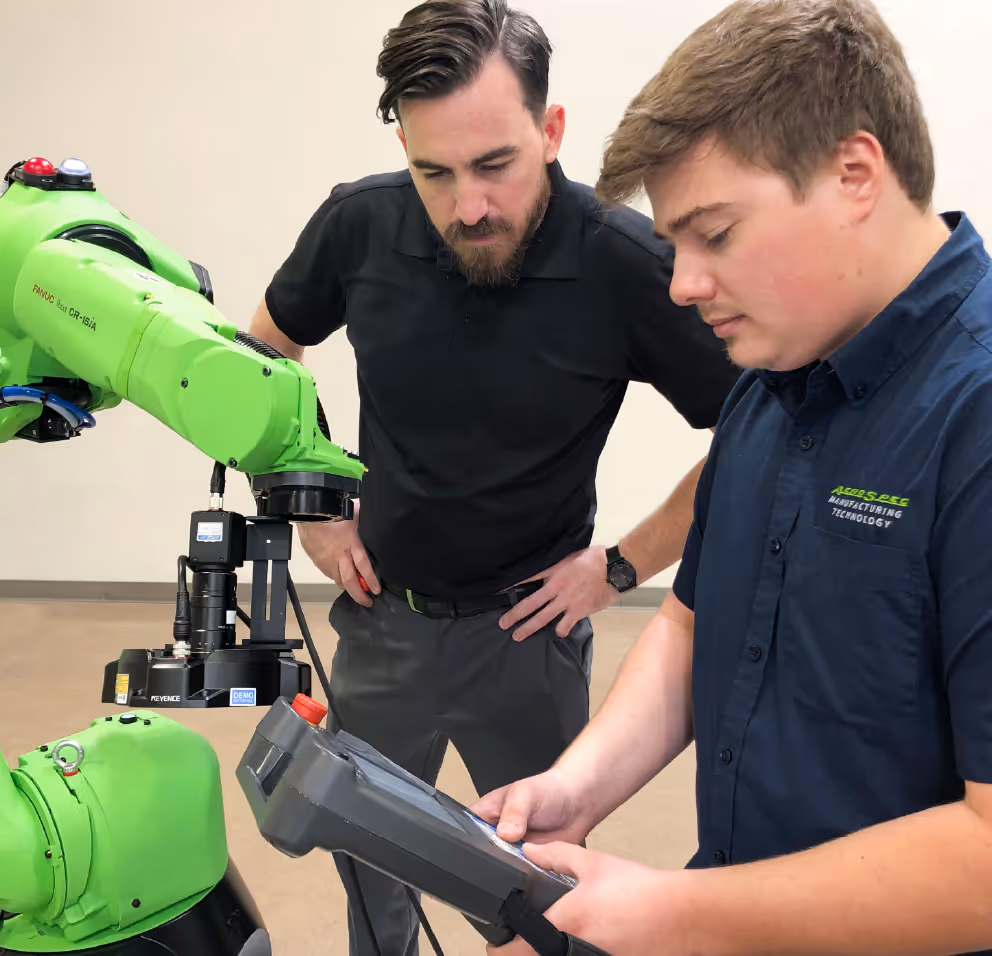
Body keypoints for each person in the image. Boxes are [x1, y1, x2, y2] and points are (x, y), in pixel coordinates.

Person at [473, 1, 992, 953]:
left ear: (854, 175)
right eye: (676, 246)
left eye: (716, 234)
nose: (682, 285)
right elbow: (695, 621)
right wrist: (574, 785)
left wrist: (667, 910)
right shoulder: (773, 381)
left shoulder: (976, 420)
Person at [248, 1, 738, 952]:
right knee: (371, 879)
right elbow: (266, 350)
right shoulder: (360, 225)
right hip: (385, 618)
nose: (467, 204)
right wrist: (310, 508)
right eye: (434, 171)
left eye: (495, 166)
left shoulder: (623, 263)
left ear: (550, 133)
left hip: (529, 636)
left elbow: (762, 428)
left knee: (537, 891)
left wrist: (621, 567)